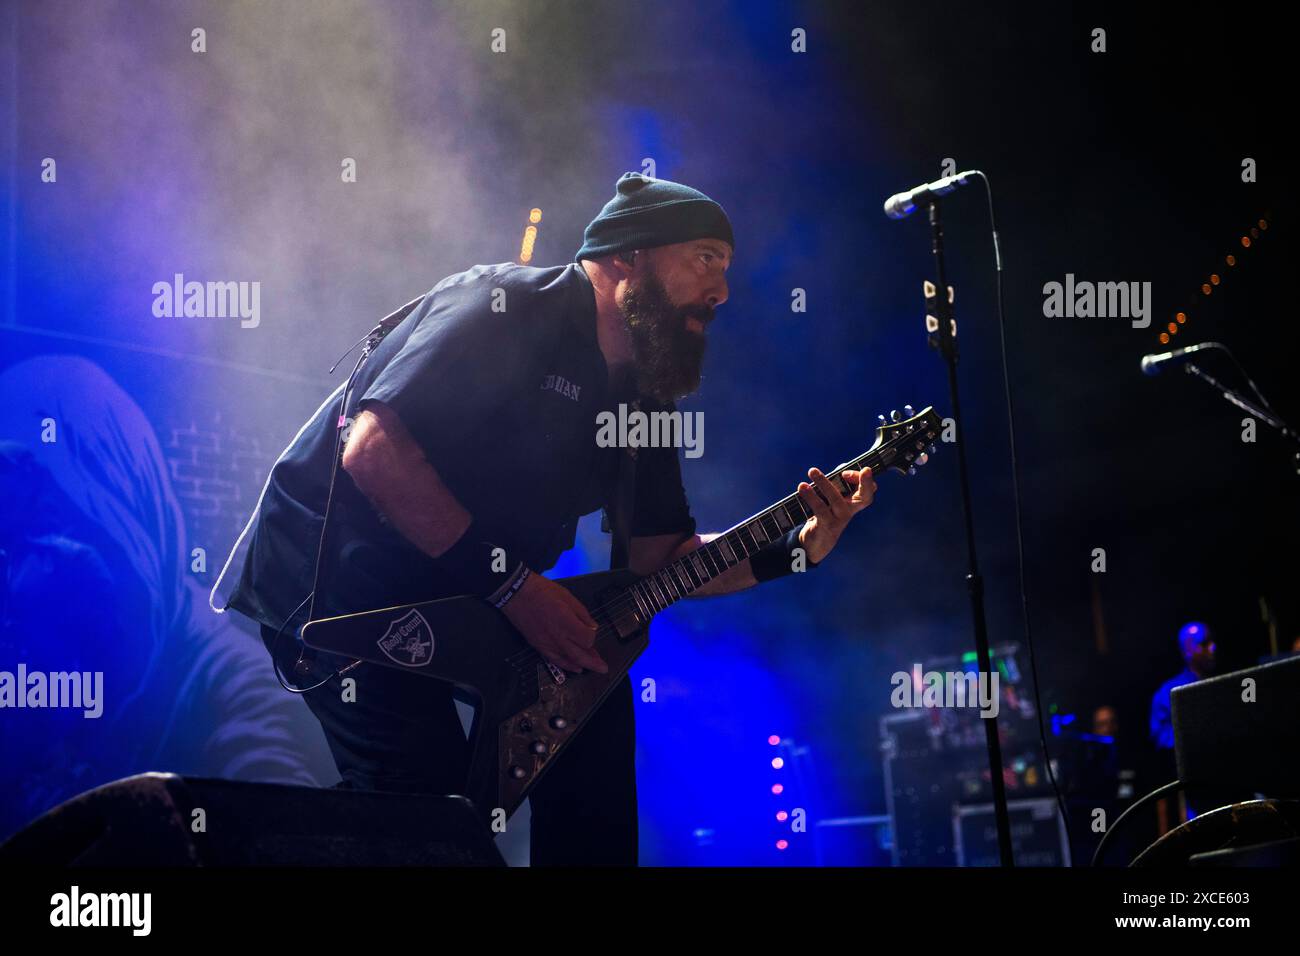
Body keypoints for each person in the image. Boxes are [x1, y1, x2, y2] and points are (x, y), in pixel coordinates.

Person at [215, 173, 879, 866]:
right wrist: (513, 590)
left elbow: (663, 559)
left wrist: (797, 550)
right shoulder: (502, 308)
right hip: (337, 591)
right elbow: (374, 452)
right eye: (705, 258)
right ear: (630, 256)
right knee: (432, 820)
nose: (722, 291)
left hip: (467, 592)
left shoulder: (644, 397)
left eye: (726, 268)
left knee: (591, 696)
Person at [0, 356, 335, 842]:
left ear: (126, 508)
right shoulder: (39, 658)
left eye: (65, 531)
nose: (33, 579)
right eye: (19, 542)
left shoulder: (229, 686)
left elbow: (281, 828)